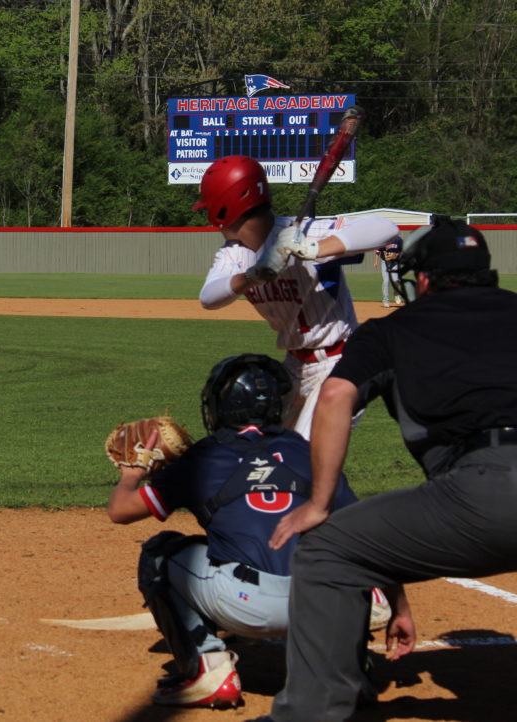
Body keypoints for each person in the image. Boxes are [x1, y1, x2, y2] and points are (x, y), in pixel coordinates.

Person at [258, 216, 517, 722]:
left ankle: (312, 714)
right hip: (485, 484)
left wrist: (319, 503)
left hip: (482, 490)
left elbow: (334, 395)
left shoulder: (395, 328)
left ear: (425, 279)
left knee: (328, 551)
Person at [106, 354, 390, 709]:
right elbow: (366, 534)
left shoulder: (203, 457)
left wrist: (133, 473)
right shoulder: (307, 449)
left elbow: (120, 511)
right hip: (321, 604)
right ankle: (349, 670)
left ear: (218, 407)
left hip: (245, 604)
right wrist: (398, 604)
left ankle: (208, 669)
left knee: (159, 554)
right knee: (344, 554)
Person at [193, 156, 400, 439]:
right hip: (294, 366)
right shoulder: (233, 253)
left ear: (224, 207)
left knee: (304, 455)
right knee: (266, 449)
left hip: (339, 362)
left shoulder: (302, 232)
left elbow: (386, 228)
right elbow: (209, 297)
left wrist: (313, 248)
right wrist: (252, 275)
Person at [373, 235, 403, 307]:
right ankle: (385, 300)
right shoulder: (384, 239)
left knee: (396, 280)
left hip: (394, 262)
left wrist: (396, 255)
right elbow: (378, 251)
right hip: (385, 262)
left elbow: (403, 250)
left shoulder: (398, 240)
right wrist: (376, 261)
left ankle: (396, 293)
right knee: (386, 281)